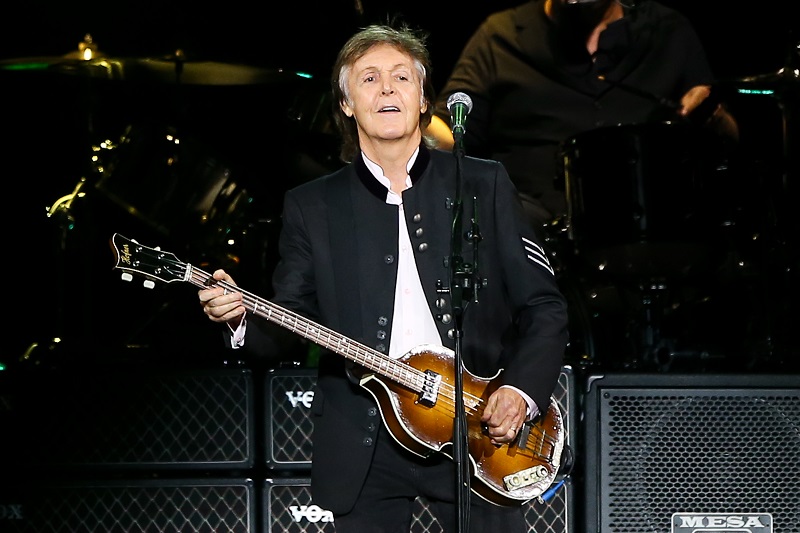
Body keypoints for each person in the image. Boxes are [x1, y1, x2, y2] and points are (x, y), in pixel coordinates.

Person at [198, 23, 568, 533]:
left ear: (423, 100)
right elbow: (291, 317)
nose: (388, 88)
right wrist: (241, 318)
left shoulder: (482, 183)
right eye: (369, 78)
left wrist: (521, 391)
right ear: (348, 105)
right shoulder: (312, 205)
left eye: (401, 77)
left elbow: (544, 306)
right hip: (363, 441)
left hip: (479, 431)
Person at [426, 0, 739, 233]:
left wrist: (712, 117)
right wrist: (411, 118)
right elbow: (453, 133)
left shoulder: (668, 31)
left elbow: (726, 136)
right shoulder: (501, 36)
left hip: (654, 225)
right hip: (533, 229)